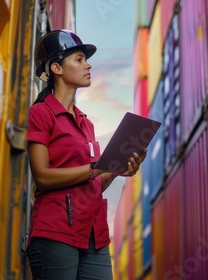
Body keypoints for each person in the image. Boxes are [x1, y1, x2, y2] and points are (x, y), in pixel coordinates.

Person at [25, 29, 146, 280]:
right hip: (55, 230)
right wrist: (96, 169)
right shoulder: (40, 114)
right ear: (57, 68)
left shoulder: (86, 123)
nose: (88, 65)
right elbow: (43, 178)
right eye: (79, 59)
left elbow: (91, 184)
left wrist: (115, 170)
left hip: (95, 233)